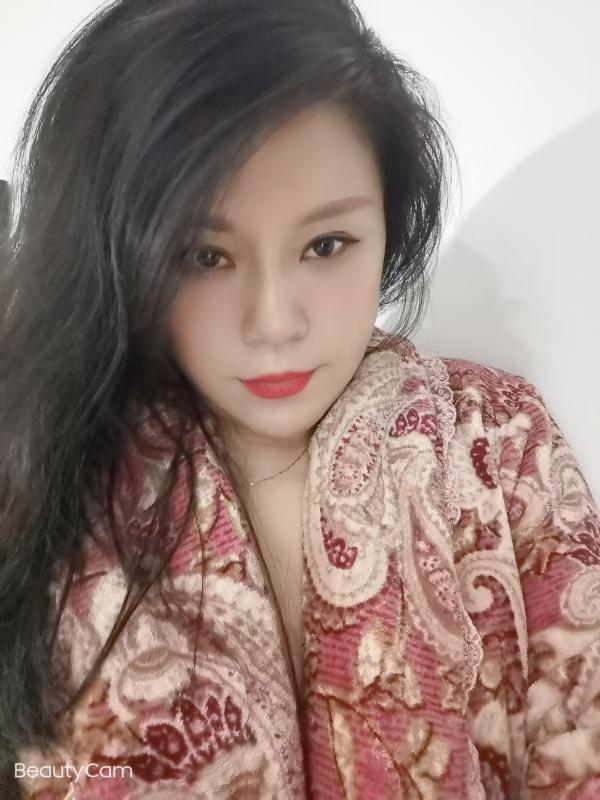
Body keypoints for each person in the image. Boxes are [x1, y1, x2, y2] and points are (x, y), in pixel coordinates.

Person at [1, 1, 598, 798]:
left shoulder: (499, 440)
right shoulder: (48, 468)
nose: (275, 322)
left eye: (326, 245)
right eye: (204, 257)